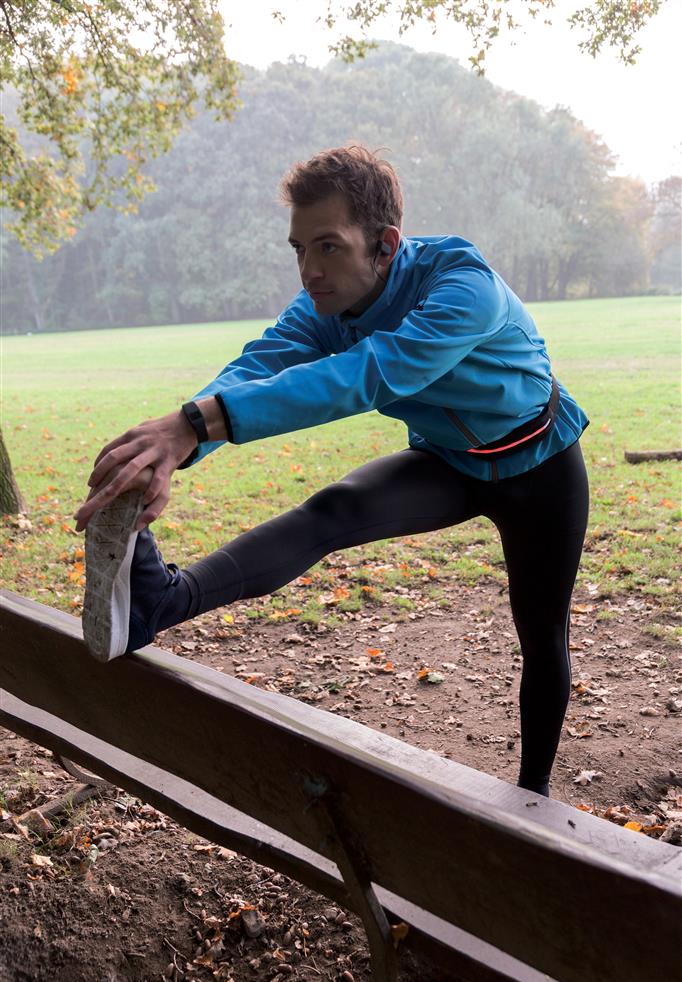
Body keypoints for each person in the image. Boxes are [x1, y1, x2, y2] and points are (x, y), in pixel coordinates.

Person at [75, 145, 589, 798]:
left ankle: (533, 800)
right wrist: (179, 445)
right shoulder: (323, 307)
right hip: (451, 463)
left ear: (385, 244)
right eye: (298, 249)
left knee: (542, 634)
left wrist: (196, 425)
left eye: (327, 247)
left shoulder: (462, 286)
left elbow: (366, 375)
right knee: (333, 511)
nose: (309, 270)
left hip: (541, 465)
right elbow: (260, 365)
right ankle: (155, 603)